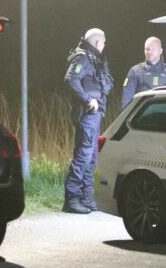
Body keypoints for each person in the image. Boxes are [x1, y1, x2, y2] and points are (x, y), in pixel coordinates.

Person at [63, 28, 114, 214]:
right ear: (97, 42)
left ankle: (86, 197)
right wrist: (88, 99)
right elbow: (71, 79)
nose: (104, 45)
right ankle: (72, 199)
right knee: (83, 156)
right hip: (87, 114)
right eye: (104, 42)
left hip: (95, 115)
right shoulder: (83, 58)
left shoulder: (94, 59)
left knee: (91, 157)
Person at [121, 36, 166, 108]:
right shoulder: (135, 71)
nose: (149, 52)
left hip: (165, 112)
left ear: (160, 51)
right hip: (142, 113)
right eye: (147, 49)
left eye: (153, 49)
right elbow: (126, 100)